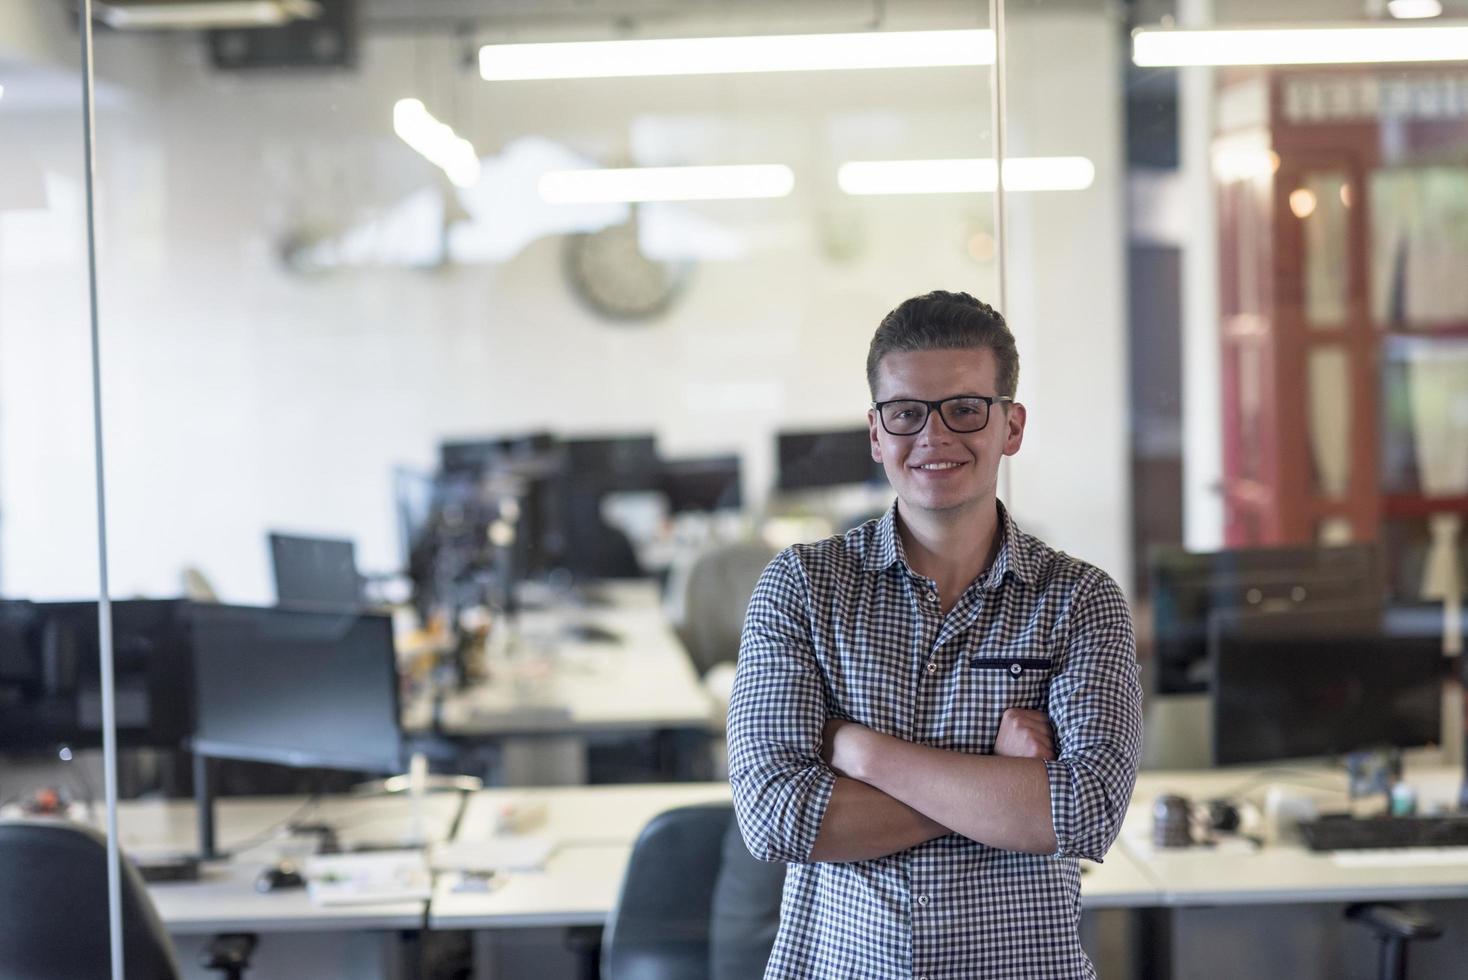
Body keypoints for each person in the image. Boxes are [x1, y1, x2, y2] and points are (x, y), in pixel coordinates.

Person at [727, 290, 1143, 979]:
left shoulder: (1080, 601)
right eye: (906, 413)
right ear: (875, 433)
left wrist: (861, 753)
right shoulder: (802, 587)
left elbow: (1084, 815)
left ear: (1010, 426)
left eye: (966, 409)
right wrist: (1005, 784)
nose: (934, 436)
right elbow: (776, 819)